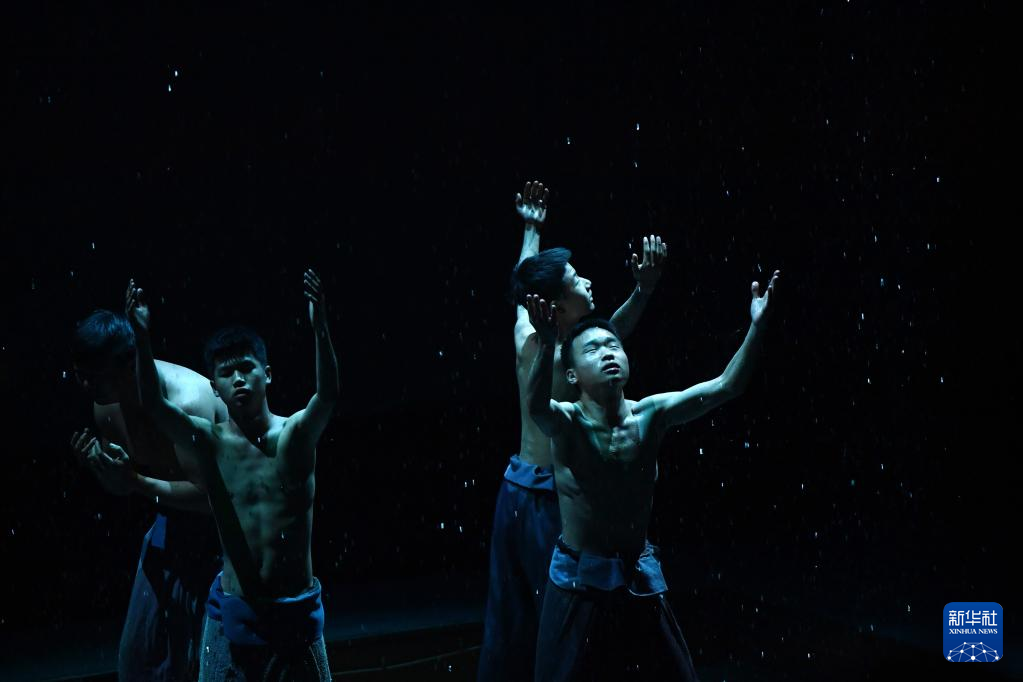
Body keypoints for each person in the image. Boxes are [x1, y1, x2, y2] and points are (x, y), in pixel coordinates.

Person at [526, 268, 780, 680]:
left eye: (613, 345)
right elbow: (538, 409)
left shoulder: (651, 414)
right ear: (572, 376)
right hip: (578, 579)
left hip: (637, 571)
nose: (608, 353)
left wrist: (757, 326)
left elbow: (726, 386)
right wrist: (546, 344)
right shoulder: (568, 422)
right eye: (593, 350)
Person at [478, 180, 668, 680]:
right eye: (577, 280)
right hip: (547, 503)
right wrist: (643, 290)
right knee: (561, 628)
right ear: (558, 307)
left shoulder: (527, 335)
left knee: (510, 621)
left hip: (513, 491)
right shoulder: (565, 358)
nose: (587, 282)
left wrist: (531, 229)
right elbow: (615, 330)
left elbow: (523, 287)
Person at [126, 269, 339, 681]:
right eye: (227, 373)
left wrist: (321, 329)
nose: (238, 379)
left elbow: (327, 396)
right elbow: (153, 404)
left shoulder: (293, 437)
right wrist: (142, 336)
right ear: (214, 386)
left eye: (246, 368)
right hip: (234, 615)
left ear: (267, 374)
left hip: (296, 615)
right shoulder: (209, 442)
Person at [69, 306, 225, 681]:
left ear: (127, 365)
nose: (86, 386)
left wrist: (135, 482)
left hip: (230, 529)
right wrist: (108, 475)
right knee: (140, 661)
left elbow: (212, 501)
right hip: (172, 523)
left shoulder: (187, 403)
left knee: (214, 659)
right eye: (80, 375)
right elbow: (131, 485)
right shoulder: (107, 405)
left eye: (94, 377)